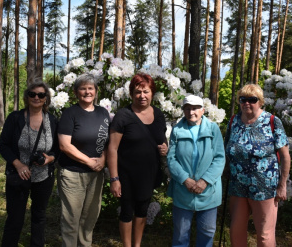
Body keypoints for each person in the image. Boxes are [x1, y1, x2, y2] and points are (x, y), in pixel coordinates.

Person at [225, 84, 290, 247]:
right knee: (236, 231)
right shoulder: (233, 121)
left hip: (264, 188)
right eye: (243, 99)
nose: (247, 103)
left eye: (252, 99)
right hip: (237, 186)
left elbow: (285, 157)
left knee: (264, 236)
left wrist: (282, 185)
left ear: (260, 102)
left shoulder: (272, 121)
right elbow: (226, 151)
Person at [107, 73, 168, 247]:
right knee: (127, 212)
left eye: (146, 91)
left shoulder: (158, 114)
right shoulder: (123, 116)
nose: (142, 96)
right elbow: (112, 148)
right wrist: (114, 178)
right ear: (131, 94)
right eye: (138, 92)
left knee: (142, 211)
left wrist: (165, 147)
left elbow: (161, 139)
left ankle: (137, 245)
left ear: (152, 93)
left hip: (149, 173)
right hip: (126, 174)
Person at [0, 79, 59, 247]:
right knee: (15, 218)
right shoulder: (15, 118)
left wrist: (50, 158)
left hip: (44, 177)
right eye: (32, 94)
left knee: (39, 216)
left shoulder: (52, 121)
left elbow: (58, 149)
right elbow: (3, 145)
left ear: (46, 98)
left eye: (41, 95)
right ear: (27, 97)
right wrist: (18, 164)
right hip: (19, 176)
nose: (36, 98)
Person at [57, 73, 110, 247]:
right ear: (75, 92)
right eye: (83, 88)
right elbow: (65, 145)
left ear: (96, 91)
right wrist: (89, 162)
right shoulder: (70, 113)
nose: (87, 92)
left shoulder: (103, 113)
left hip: (96, 174)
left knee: (90, 217)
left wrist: (102, 159)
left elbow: (107, 141)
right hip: (73, 174)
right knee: (71, 218)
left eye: (90, 88)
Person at [167, 95, 225, 247]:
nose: (191, 112)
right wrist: (185, 180)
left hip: (208, 190)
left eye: (195, 108)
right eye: (187, 108)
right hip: (183, 189)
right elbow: (171, 159)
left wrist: (204, 181)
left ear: (202, 110)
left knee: (207, 232)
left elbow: (219, 158)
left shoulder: (213, 129)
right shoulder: (177, 130)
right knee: (180, 233)